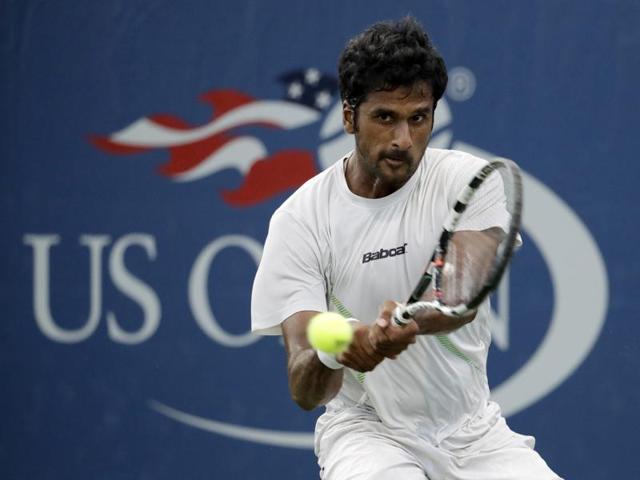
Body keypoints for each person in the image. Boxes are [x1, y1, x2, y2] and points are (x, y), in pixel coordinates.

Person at [251, 16, 561, 480]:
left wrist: (402, 322)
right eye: (385, 118)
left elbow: (460, 299)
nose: (403, 139)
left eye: (419, 118)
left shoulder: (468, 181)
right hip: (364, 431)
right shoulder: (299, 220)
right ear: (349, 115)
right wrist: (339, 351)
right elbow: (304, 386)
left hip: (473, 431)